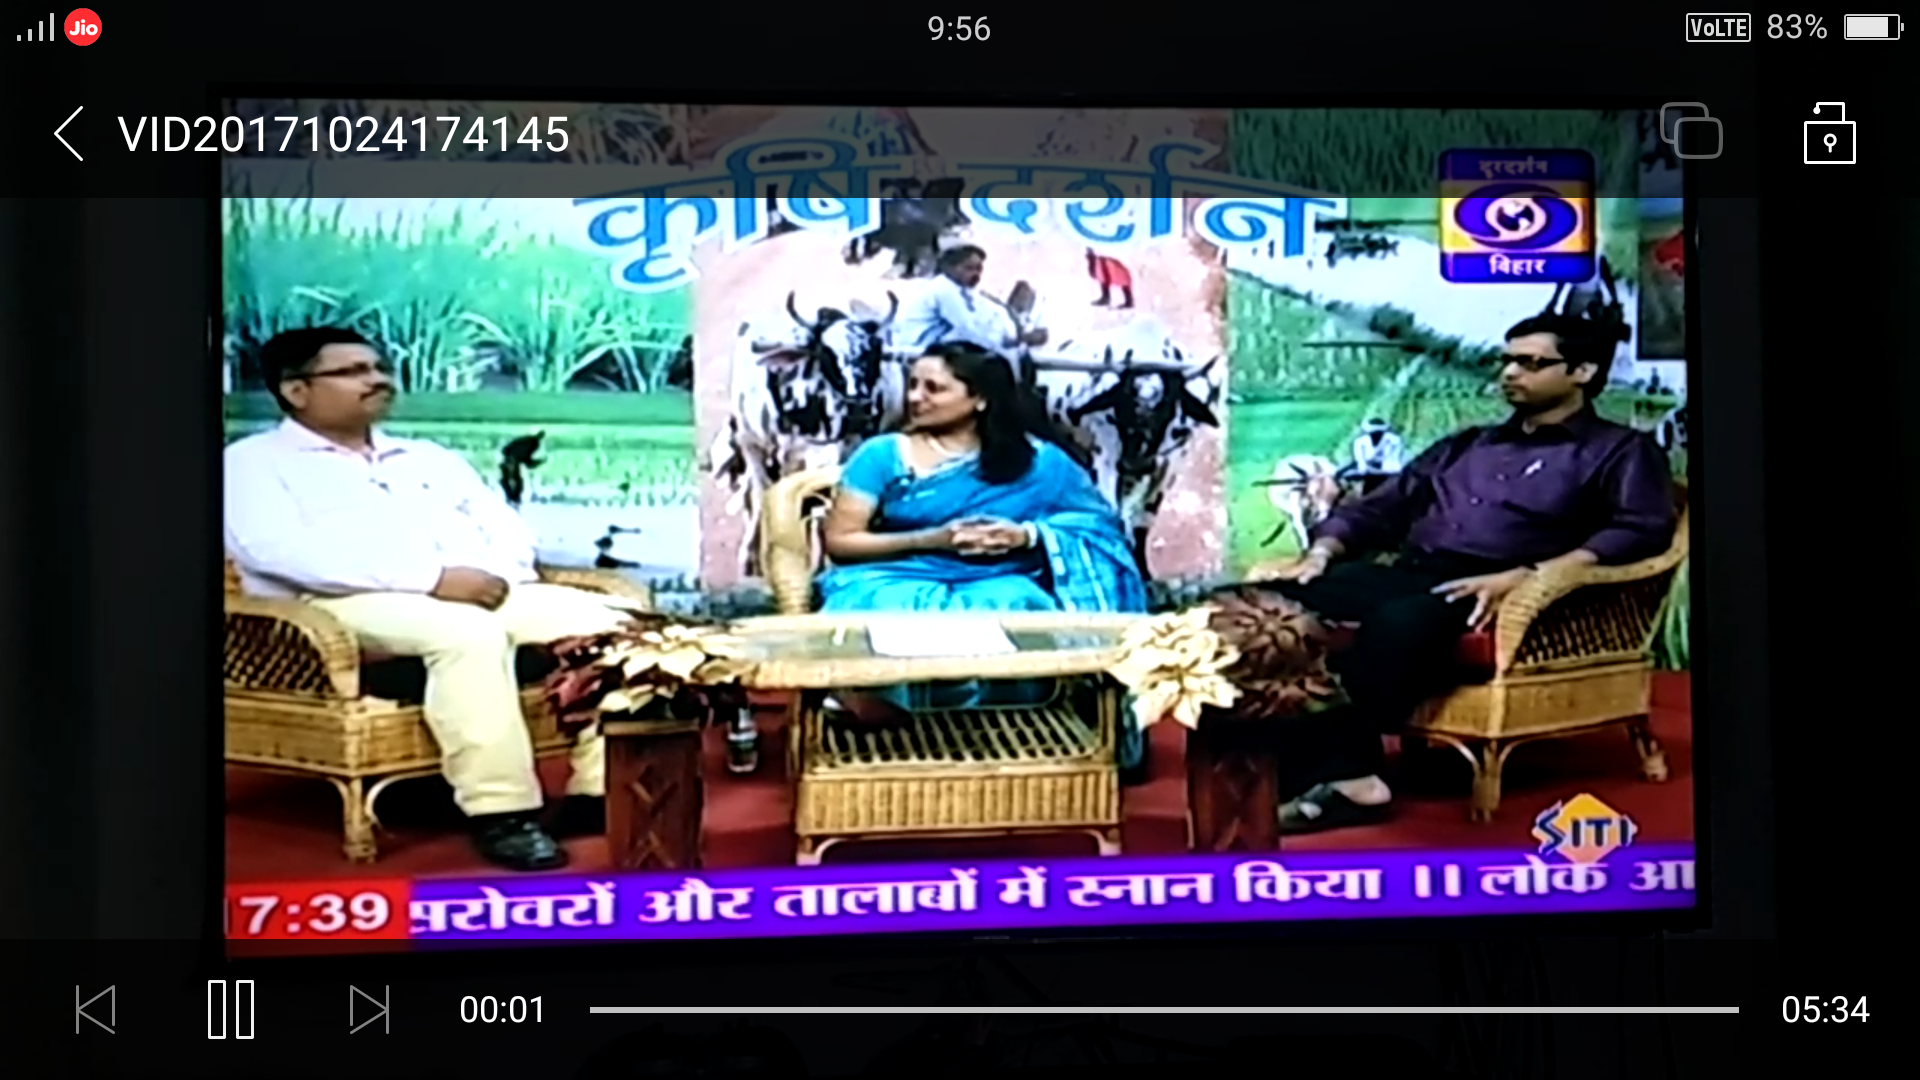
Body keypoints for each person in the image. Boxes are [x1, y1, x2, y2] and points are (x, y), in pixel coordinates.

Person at [1241, 312, 1678, 834]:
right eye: (1507, 361)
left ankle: (1352, 785)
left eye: (1531, 363)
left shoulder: (1620, 451)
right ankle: (1303, 762)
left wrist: (1530, 574)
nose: (1510, 373)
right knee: (1252, 605)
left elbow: (1640, 530)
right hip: (1417, 571)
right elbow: (1380, 509)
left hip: (1508, 590)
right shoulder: (1467, 445)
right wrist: (1320, 553)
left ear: (1582, 372)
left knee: (1400, 625)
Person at [223, 327, 637, 872]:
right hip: (333, 606)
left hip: (478, 590)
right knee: (465, 635)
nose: (377, 380)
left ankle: (600, 792)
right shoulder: (252, 463)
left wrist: (491, 576)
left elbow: (503, 527)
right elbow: (276, 550)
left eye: (379, 368)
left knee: (616, 622)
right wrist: (430, 579)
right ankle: (502, 813)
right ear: (296, 390)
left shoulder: (426, 457)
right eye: (353, 372)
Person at [817, 343, 1149, 726]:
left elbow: (1097, 527)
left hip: (998, 578)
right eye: (912, 385)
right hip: (893, 575)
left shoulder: (1040, 462)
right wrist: (930, 540)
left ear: (980, 399)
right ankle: (896, 722)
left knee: (1017, 606)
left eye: (933, 388)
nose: (914, 397)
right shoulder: (882, 454)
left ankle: (1000, 727)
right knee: (887, 609)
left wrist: (1027, 536)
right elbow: (841, 542)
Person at [891, 245, 1051, 357]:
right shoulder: (943, 289)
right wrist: (1018, 341)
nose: (976, 275)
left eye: (979, 269)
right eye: (969, 268)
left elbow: (982, 328)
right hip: (919, 356)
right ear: (948, 267)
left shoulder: (963, 293)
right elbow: (971, 332)